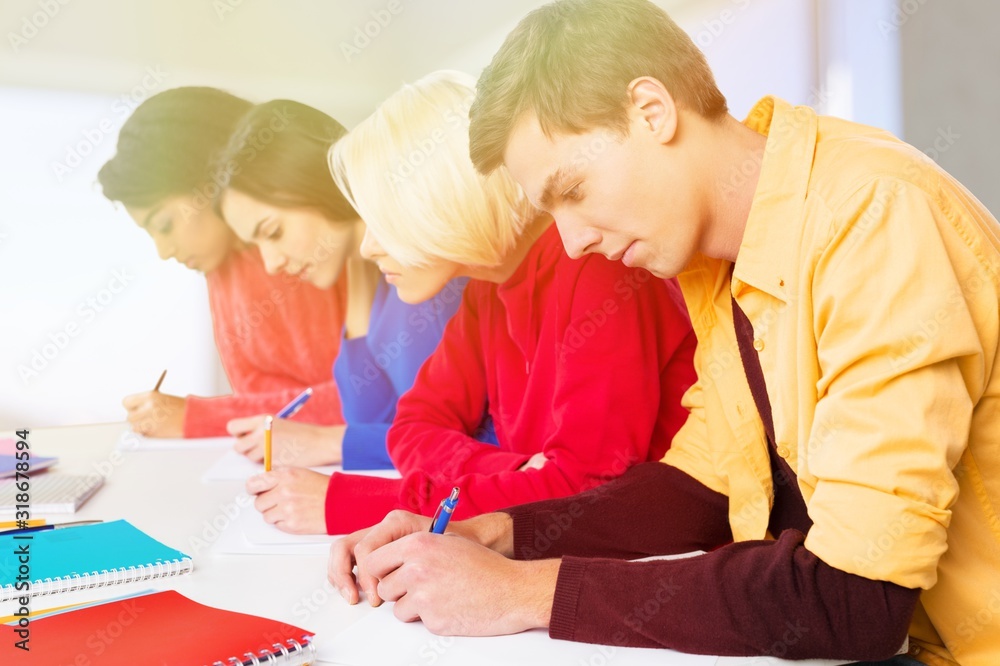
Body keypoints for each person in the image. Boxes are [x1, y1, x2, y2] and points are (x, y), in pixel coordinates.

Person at [327, 2, 1000, 665]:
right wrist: (490, 535)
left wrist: (522, 593)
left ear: (652, 111)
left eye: (575, 190)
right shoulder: (721, 263)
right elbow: (697, 493)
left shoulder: (872, 219)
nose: (572, 239)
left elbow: (854, 598)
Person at [248, 70, 697, 537]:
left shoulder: (598, 268)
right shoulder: (488, 287)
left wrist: (362, 504)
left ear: (441, 195)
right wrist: (519, 470)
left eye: (384, 219)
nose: (368, 248)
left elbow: (583, 494)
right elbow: (411, 427)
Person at [216, 99, 472, 487]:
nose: (271, 264)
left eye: (273, 232)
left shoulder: (428, 276)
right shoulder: (378, 276)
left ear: (317, 184)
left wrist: (326, 441)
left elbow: (473, 440)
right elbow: (369, 417)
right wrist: (356, 265)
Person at [98, 87, 348, 439]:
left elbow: (368, 402)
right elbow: (258, 403)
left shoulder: (320, 250)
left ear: (212, 181)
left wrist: (201, 417)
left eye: (165, 225)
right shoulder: (221, 269)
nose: (164, 251)